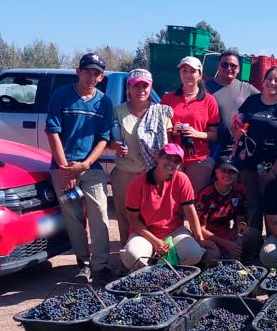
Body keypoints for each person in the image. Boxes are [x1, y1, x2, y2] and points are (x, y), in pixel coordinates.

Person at [46, 53, 113, 283]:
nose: (91, 77)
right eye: (88, 72)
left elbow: (103, 138)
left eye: (96, 73)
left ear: (101, 76)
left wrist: (85, 164)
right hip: (63, 169)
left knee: (100, 214)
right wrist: (66, 169)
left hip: (91, 168)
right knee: (73, 217)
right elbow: (52, 132)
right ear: (78, 71)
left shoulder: (104, 101)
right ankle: (83, 263)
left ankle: (100, 266)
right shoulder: (61, 95)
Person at [121, 144, 218, 270]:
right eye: (167, 158)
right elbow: (133, 219)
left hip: (174, 231)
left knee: (193, 253)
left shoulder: (182, 179)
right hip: (145, 233)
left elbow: (190, 210)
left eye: (176, 161)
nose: (171, 163)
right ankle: (153, 266)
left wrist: (199, 238)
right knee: (132, 256)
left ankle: (164, 269)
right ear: (158, 157)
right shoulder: (137, 184)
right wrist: (155, 241)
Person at [109, 69, 173, 245]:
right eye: (136, 85)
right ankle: (127, 255)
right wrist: (115, 146)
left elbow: (169, 143)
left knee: (152, 217)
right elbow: (109, 141)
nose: (141, 90)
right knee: (125, 218)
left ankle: (153, 254)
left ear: (150, 87)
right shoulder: (118, 111)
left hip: (152, 174)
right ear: (129, 88)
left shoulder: (160, 112)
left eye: (145, 86)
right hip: (125, 173)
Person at [233, 67, 277, 231]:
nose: (272, 83)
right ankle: (252, 243)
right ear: (264, 81)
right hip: (248, 161)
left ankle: (272, 241)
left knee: (271, 204)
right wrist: (238, 129)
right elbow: (239, 124)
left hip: (271, 165)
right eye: (269, 78)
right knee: (251, 203)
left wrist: (275, 169)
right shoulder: (252, 100)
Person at [160, 56, 220, 194]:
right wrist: (172, 130)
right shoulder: (168, 98)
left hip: (198, 160)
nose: (187, 75)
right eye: (184, 71)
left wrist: (195, 133)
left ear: (200, 74)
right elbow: (160, 130)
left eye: (192, 71)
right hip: (172, 159)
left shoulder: (209, 101)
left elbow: (214, 135)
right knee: (171, 202)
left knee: (194, 202)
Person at [195, 156, 262, 262]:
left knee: (254, 234)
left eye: (232, 172)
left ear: (237, 174)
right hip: (208, 236)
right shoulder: (206, 194)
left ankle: (244, 260)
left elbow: (240, 214)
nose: (227, 175)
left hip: (226, 232)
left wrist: (242, 224)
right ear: (216, 172)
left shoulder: (239, 190)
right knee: (212, 257)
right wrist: (226, 243)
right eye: (223, 170)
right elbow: (200, 229)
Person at [204, 50, 259, 157]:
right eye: (225, 64)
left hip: (236, 148)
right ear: (218, 66)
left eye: (233, 66)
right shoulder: (205, 87)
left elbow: (267, 99)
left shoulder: (247, 88)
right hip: (210, 147)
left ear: (238, 69)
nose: (229, 68)